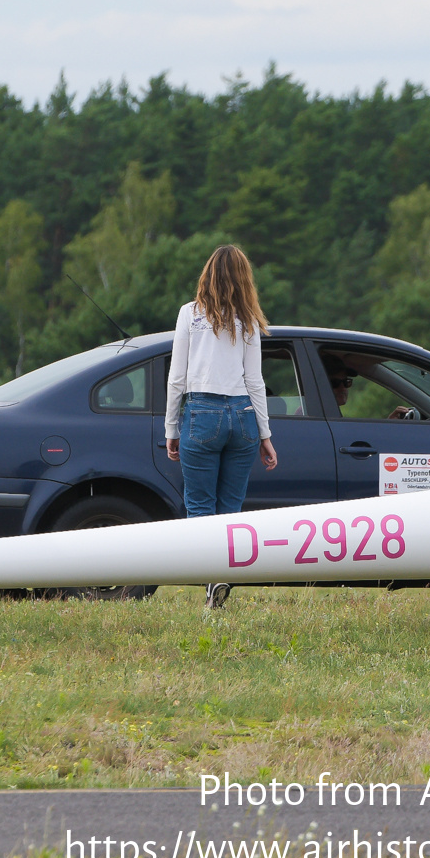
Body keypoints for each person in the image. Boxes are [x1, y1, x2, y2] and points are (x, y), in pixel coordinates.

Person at [165, 244, 279, 608]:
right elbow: (255, 381)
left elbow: (176, 379)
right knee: (230, 507)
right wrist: (265, 435)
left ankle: (212, 580)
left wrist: (171, 428)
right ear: (244, 278)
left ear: (207, 275)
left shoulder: (188, 314)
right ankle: (224, 576)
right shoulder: (248, 321)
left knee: (200, 506)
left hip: (202, 413)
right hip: (243, 415)